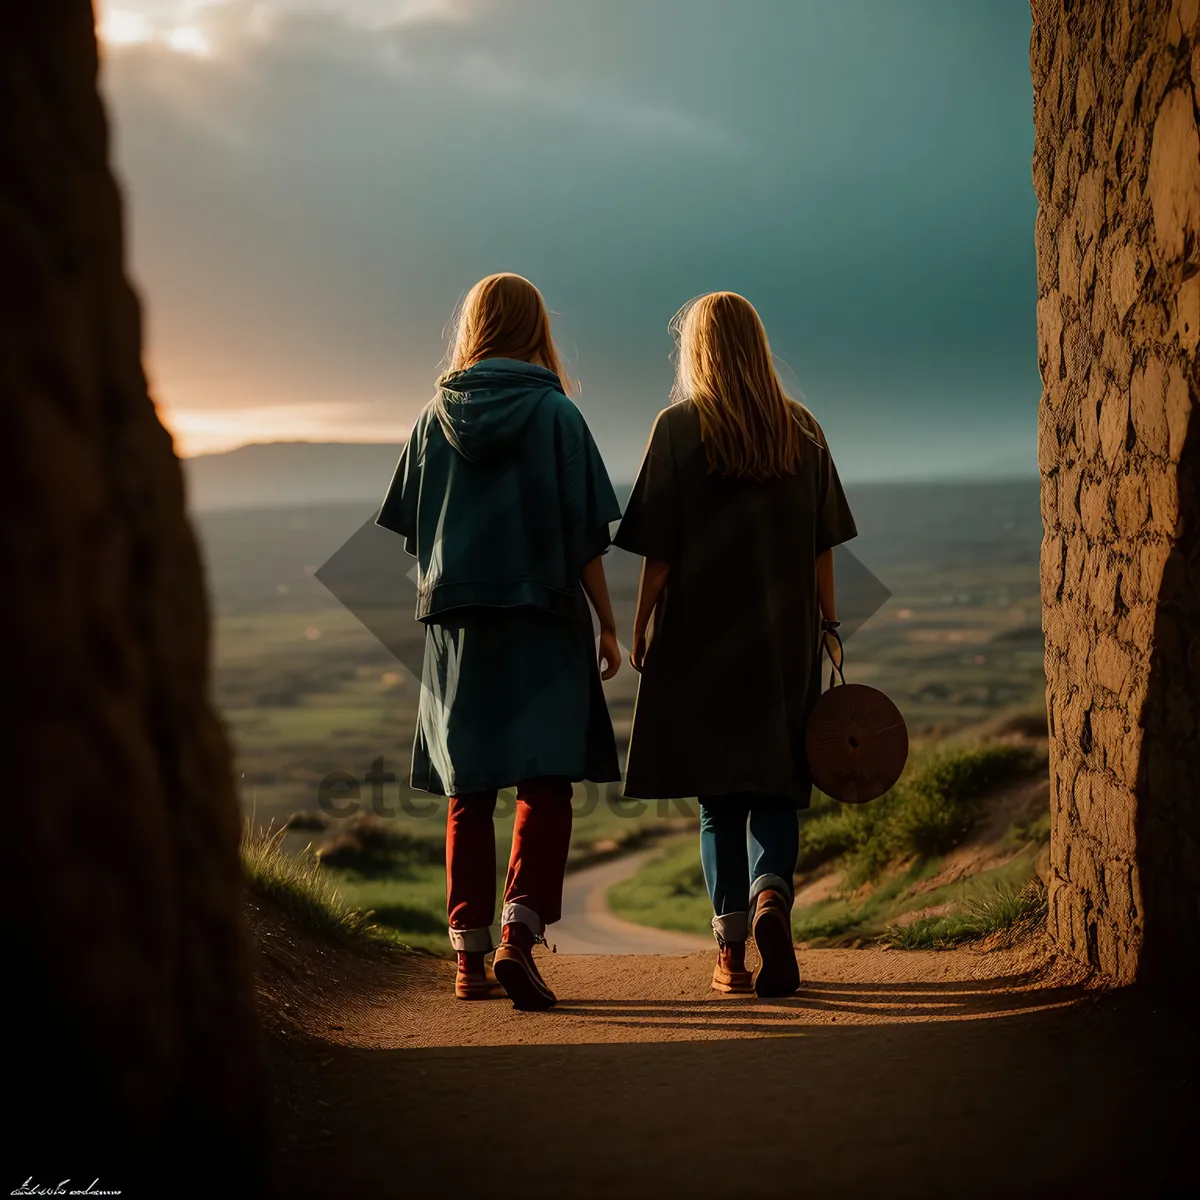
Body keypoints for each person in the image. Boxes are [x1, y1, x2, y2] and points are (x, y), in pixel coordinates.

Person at [377, 273, 622, 1010]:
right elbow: (586, 538)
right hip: (544, 617)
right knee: (545, 784)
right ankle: (520, 934)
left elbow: (415, 531)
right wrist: (608, 624)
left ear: (474, 326)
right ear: (535, 328)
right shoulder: (557, 415)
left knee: (468, 789)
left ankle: (467, 959)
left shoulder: (430, 417)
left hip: (457, 625)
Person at [614, 291, 856, 998]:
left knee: (718, 802)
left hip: (700, 640)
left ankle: (730, 955)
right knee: (777, 788)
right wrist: (830, 625)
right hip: (783, 643)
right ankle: (773, 896)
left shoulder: (678, 429)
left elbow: (657, 553)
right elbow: (822, 549)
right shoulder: (802, 431)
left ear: (698, 350)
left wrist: (640, 624)